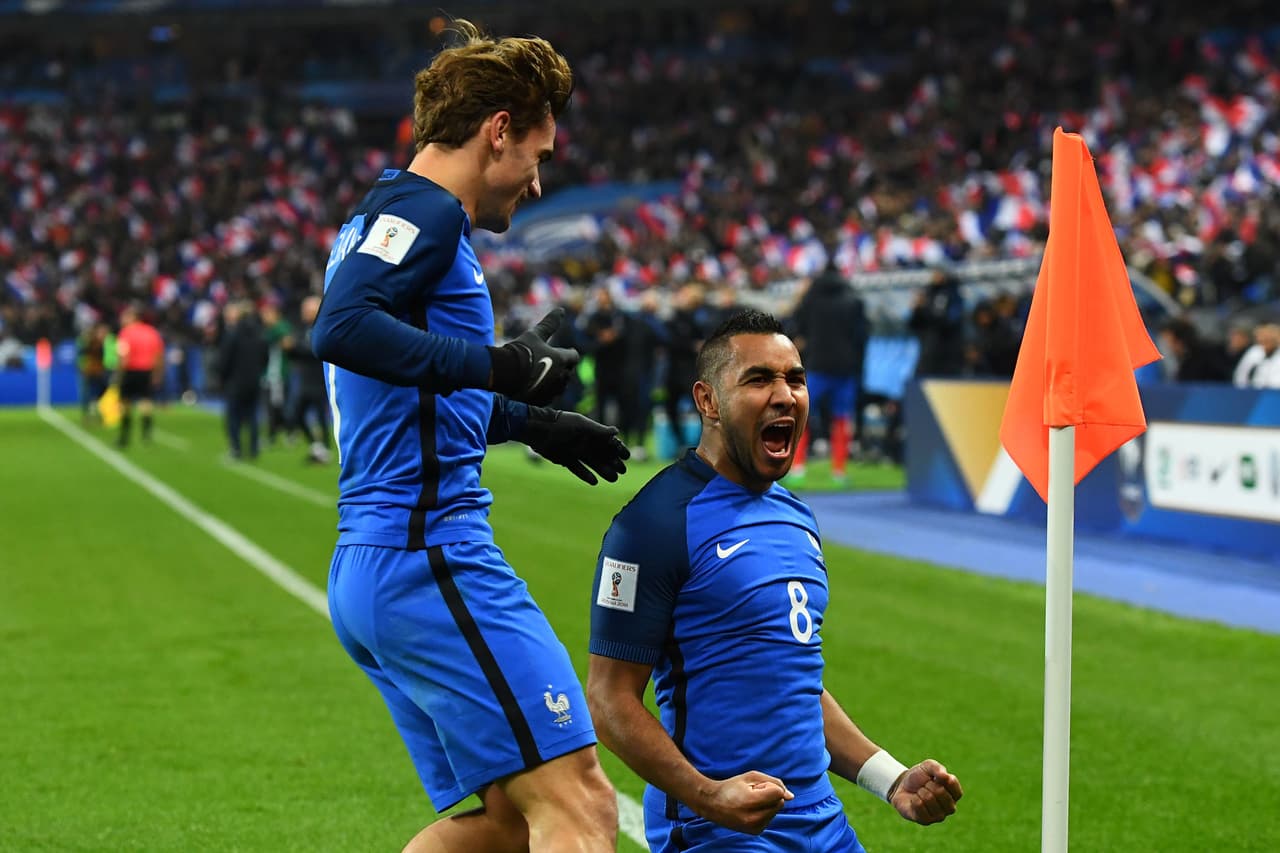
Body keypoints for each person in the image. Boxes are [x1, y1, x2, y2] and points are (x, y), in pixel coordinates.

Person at [310, 20, 627, 852]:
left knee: (501, 824)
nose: (534, 183)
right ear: (498, 130)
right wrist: (501, 365)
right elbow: (341, 329)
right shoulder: (427, 212)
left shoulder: (380, 217)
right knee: (581, 804)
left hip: (377, 561)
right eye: (538, 155)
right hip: (428, 556)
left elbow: (412, 400)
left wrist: (532, 420)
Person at [586, 310, 962, 852]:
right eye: (759, 379)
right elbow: (610, 700)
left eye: (796, 378)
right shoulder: (653, 525)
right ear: (708, 401)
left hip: (824, 826)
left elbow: (793, 680)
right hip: (720, 832)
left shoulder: (797, 518)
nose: (785, 394)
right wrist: (708, 796)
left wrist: (891, 778)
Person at [789, 262, 868, 485]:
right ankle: (839, 471)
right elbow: (861, 336)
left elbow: (798, 328)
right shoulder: (854, 301)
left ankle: (797, 467)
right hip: (846, 369)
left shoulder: (811, 300)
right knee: (842, 419)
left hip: (816, 366)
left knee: (802, 416)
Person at [217, 301, 269, 460]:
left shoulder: (232, 334)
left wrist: (222, 377)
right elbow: (265, 358)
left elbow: (225, 360)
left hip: (235, 381)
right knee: (252, 415)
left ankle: (236, 449)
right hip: (254, 380)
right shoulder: (260, 333)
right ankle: (253, 449)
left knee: (233, 416)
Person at [112, 304, 165, 448]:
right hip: (147, 371)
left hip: (130, 371)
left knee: (125, 404)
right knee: (146, 402)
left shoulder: (126, 333)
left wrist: (119, 374)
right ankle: (146, 435)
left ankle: (124, 437)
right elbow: (159, 355)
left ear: (132, 317)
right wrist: (158, 374)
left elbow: (123, 355)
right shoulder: (152, 332)